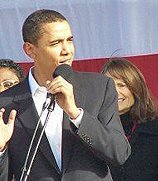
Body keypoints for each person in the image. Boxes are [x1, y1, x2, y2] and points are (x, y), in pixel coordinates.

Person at [0, 9, 131, 181]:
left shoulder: (99, 87)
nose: (67, 50)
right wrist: (1, 149)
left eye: (69, 40)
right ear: (30, 50)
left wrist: (76, 114)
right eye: (55, 43)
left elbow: (119, 153)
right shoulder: (6, 102)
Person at [101, 57, 158, 181]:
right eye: (108, 85)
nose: (115, 92)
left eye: (122, 85)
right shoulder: (93, 132)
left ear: (136, 88)